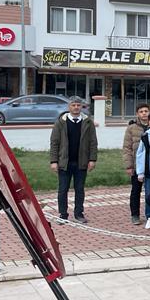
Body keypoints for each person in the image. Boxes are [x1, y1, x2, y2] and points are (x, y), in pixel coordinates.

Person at [49, 96, 98, 224]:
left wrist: (92, 159)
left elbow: (93, 142)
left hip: (81, 161)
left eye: (78, 105)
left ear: (82, 107)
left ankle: (79, 213)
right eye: (73, 105)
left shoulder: (88, 122)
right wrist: (54, 161)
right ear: (69, 107)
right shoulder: (60, 122)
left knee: (79, 189)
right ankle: (63, 214)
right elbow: (54, 142)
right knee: (63, 189)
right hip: (64, 162)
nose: (76, 107)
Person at [122, 103, 150, 224]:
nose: (144, 113)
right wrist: (129, 165)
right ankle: (135, 214)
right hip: (136, 164)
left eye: (146, 111)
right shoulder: (132, 128)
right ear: (137, 114)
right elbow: (127, 147)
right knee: (136, 190)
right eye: (141, 111)